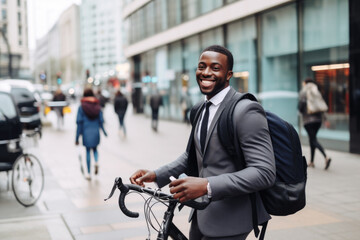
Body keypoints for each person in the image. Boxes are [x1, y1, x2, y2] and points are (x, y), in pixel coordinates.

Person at [130, 45, 276, 240]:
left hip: (231, 221)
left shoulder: (246, 111)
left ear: (228, 74)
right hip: (201, 215)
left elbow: (264, 172)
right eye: (201, 66)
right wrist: (156, 175)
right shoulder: (200, 108)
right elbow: (194, 156)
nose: (206, 72)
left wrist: (207, 185)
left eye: (215, 68)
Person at [299, 78, 331, 170]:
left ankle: (326, 157)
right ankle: (312, 162)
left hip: (308, 121)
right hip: (318, 121)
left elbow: (301, 106)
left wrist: (301, 110)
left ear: (305, 83)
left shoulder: (304, 92)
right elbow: (322, 106)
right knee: (312, 139)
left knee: (313, 140)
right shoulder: (317, 91)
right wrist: (325, 120)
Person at [75, 88, 107, 180]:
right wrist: (104, 132)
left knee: (88, 151)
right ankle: (96, 161)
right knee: (95, 149)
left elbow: (79, 123)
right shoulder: (97, 106)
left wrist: (77, 138)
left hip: (86, 132)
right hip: (96, 131)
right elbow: (101, 120)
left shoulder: (81, 107)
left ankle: (88, 173)